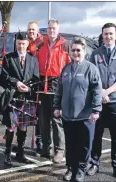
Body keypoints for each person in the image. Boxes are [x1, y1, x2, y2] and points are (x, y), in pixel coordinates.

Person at [53, 37, 102, 182]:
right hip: (68, 116)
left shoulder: (91, 68)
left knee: (85, 145)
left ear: (84, 51)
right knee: (71, 144)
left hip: (85, 116)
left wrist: (96, 110)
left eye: (78, 50)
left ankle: (81, 169)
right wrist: (56, 106)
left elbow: (97, 90)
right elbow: (59, 90)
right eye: (73, 50)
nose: (75, 53)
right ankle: (70, 168)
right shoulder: (66, 69)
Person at [0, 32, 39, 165]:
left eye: (23, 43)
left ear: (27, 44)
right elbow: (4, 76)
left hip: (25, 98)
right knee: (10, 126)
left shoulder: (33, 59)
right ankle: (7, 153)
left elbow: (36, 78)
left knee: (23, 126)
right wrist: (16, 83)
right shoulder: (8, 58)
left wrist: (29, 88)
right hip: (12, 97)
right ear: (16, 44)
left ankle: (20, 153)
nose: (21, 46)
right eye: (19, 43)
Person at [36, 19, 70, 163]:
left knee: (57, 120)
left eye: (54, 28)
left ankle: (59, 151)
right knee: (43, 120)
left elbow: (69, 65)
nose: (51, 31)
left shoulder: (65, 45)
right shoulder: (41, 44)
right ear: (47, 30)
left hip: (58, 83)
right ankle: (46, 148)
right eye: (49, 28)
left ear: (58, 29)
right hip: (43, 83)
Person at [87, 22, 116, 178]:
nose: (108, 36)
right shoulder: (95, 53)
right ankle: (94, 163)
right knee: (96, 135)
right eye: (106, 34)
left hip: (114, 102)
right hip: (98, 103)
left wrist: (108, 92)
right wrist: (101, 93)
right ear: (102, 35)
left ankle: (115, 165)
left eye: (111, 33)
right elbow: (92, 76)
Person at [25, 20, 44, 156]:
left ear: (37, 31)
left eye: (33, 30)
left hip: (40, 82)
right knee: (26, 113)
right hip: (26, 82)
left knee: (39, 115)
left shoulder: (42, 43)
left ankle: (40, 143)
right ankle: (21, 142)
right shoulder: (25, 42)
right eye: (29, 29)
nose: (31, 32)